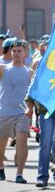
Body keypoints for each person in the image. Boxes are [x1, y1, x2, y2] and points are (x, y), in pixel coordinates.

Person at [0, 40, 33, 183]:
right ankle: (1, 166)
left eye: (19, 51)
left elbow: (33, 93)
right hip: (3, 112)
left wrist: (30, 108)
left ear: (25, 53)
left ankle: (19, 174)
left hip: (22, 113)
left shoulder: (30, 72)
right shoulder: (3, 69)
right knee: (1, 147)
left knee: (22, 141)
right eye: (14, 51)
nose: (16, 53)